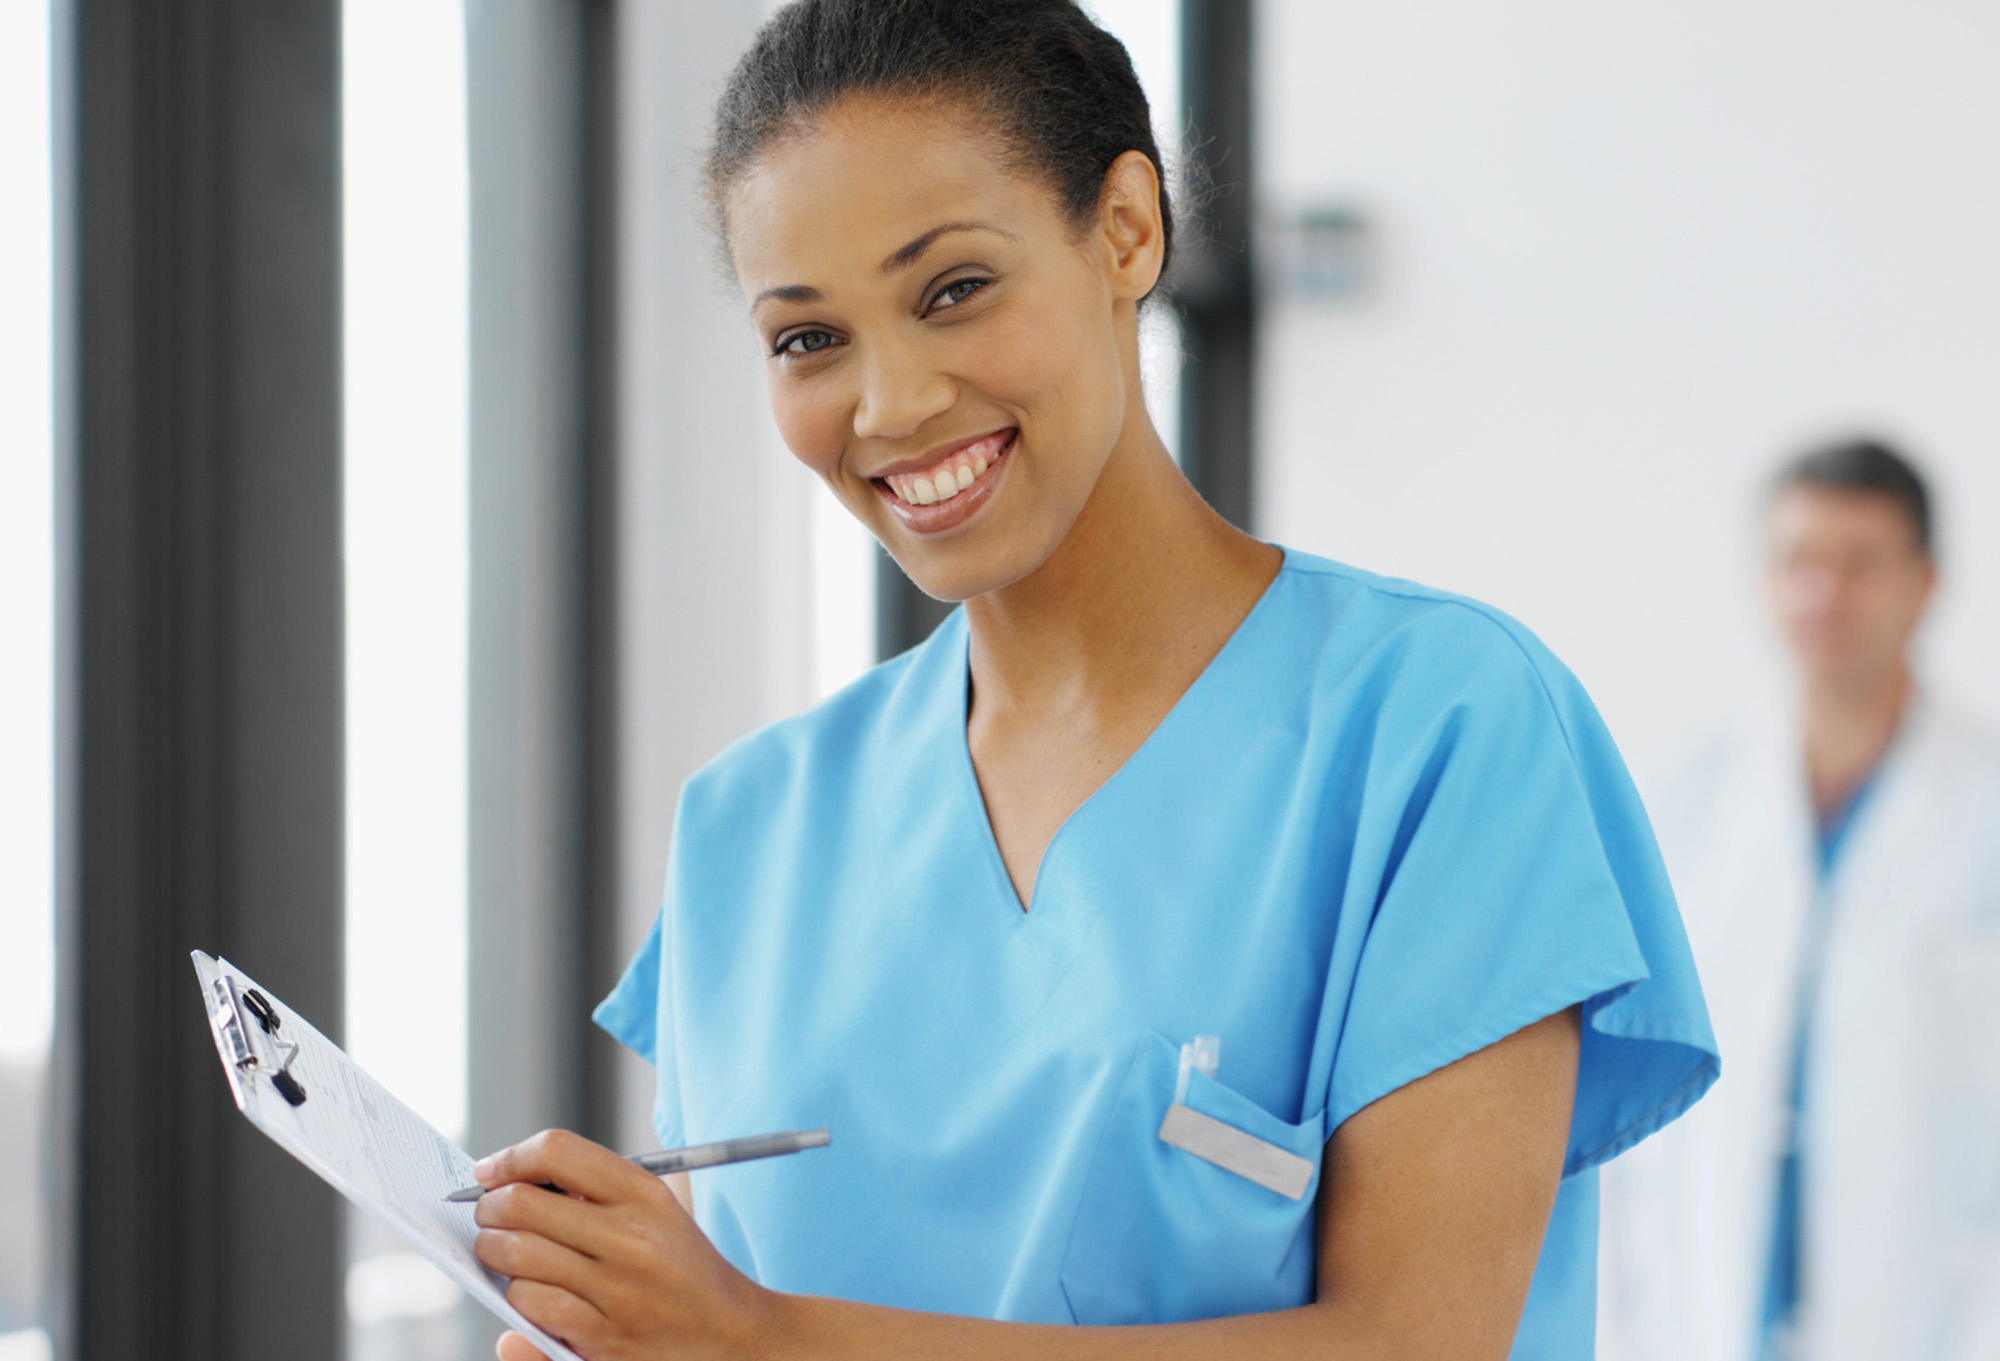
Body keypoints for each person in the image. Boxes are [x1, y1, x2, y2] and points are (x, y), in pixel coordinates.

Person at [466, 3, 1717, 1357]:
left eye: (953, 290)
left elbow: (1417, 1340)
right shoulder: (750, 830)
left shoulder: (1438, 729)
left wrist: (769, 1342)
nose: (888, 404)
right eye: (807, 339)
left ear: (1125, 230)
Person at [1598, 439, 2000, 1361]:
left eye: (1861, 564)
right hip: (1700, 1319)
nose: (1826, 596)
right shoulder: (1680, 800)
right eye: (1799, 563)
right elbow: (1627, 1098)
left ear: (1925, 581)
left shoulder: (1984, 812)